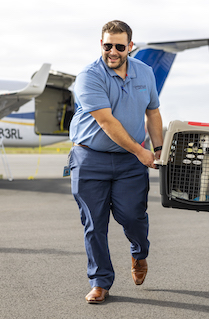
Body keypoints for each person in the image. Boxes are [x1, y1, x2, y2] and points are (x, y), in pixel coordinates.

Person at [69, 20, 164, 304]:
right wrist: (141, 151)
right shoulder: (88, 76)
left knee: (132, 216)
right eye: (107, 45)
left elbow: (154, 112)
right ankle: (100, 281)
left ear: (130, 47)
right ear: (101, 44)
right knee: (94, 223)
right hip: (89, 158)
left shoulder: (145, 73)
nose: (112, 51)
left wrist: (158, 148)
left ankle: (139, 253)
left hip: (129, 163)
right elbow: (107, 122)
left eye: (119, 46)